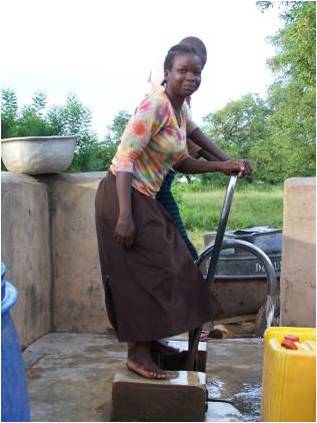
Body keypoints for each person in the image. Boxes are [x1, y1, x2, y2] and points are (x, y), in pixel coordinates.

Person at [95, 44, 245, 380]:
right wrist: (125, 215)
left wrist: (222, 165)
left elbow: (180, 161)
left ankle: (152, 344)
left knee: (173, 266)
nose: (190, 77)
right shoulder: (154, 105)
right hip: (123, 194)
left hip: (143, 196)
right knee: (152, 272)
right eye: (182, 71)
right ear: (166, 73)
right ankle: (137, 353)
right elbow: (125, 161)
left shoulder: (178, 112)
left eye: (196, 73)